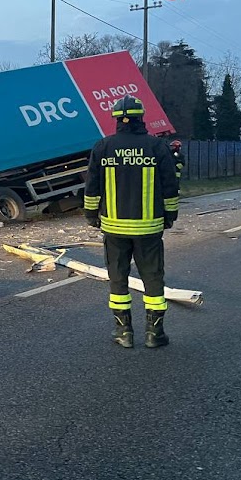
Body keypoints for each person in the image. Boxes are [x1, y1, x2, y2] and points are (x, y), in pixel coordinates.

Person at [83, 96, 179, 349]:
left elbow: (91, 187)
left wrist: (92, 215)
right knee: (153, 278)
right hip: (149, 228)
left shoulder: (103, 147)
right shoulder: (157, 147)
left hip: (114, 228)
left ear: (116, 119)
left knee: (118, 278)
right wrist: (170, 216)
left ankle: (123, 333)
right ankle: (154, 334)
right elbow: (170, 185)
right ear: (141, 117)